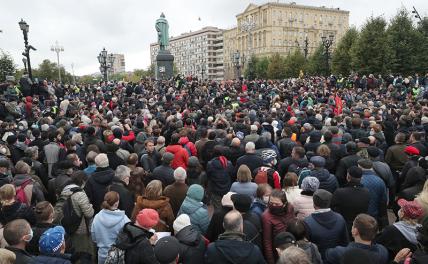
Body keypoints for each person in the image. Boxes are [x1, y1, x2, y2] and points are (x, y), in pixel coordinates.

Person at [304, 189, 349, 259]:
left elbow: (307, 248)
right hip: (336, 259)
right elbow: (345, 243)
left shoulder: (307, 222)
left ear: (314, 204)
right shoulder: (340, 218)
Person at [91, 191, 130, 264]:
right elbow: (128, 238)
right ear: (116, 203)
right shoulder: (124, 219)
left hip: (102, 255)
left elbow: (94, 237)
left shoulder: (97, 217)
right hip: (118, 256)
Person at [331, 166, 370, 233]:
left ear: (348, 177)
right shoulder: (367, 192)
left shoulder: (339, 192)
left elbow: (333, 208)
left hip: (343, 225)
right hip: (359, 225)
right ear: (361, 178)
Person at [262, 190, 296, 264]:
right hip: (278, 251)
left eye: (277, 204)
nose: (273, 206)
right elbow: (267, 241)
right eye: (271, 203)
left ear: (284, 204)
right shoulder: (266, 216)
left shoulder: (290, 208)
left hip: (293, 246)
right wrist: (271, 261)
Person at [358, 159, 388, 228]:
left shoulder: (358, 180)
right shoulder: (380, 181)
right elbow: (383, 200)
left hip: (360, 214)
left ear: (359, 167)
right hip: (374, 214)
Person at [206, 145, 234, 211]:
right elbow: (232, 174)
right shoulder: (228, 163)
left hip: (215, 189)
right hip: (226, 188)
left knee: (217, 209)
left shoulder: (210, 164)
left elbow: (208, 175)